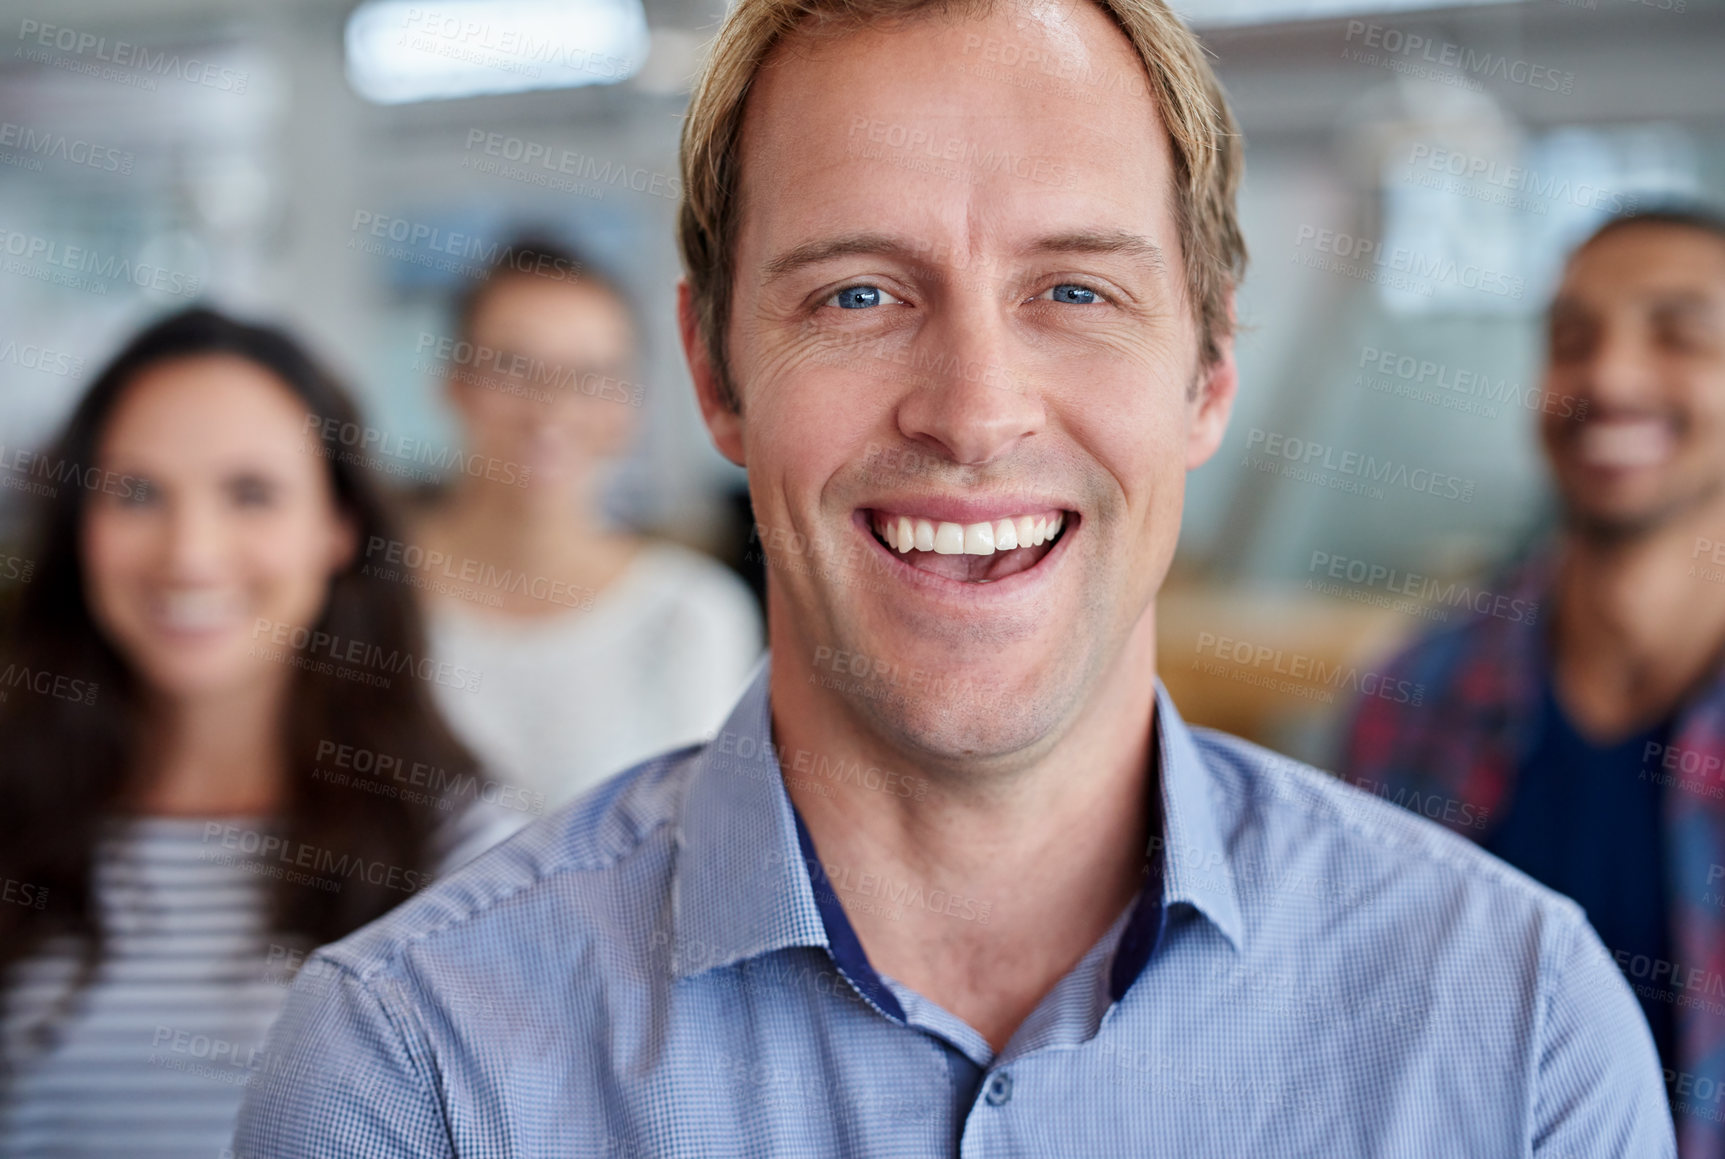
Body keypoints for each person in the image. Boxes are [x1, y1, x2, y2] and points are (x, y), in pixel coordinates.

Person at [235, 0, 1674, 1153]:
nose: (975, 412)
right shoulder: (413, 1069)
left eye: (1075, 291)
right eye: (856, 294)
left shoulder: (1517, 1028)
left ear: (1211, 368)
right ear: (713, 370)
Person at [0, 308, 505, 1157]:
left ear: (337, 528)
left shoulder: (465, 851)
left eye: (251, 493)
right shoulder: (15, 810)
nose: (190, 553)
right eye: (135, 492)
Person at [1343, 207, 1725, 1156]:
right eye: (1571, 340)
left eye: (1678, 333)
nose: (1609, 376)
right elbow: (1349, 1033)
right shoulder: (1417, 695)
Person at [406, 235, 762, 815]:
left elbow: (708, 843)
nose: (550, 408)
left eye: (590, 376)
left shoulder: (695, 614)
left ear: (631, 406)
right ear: (453, 384)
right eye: (513, 368)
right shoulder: (363, 593)